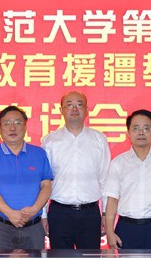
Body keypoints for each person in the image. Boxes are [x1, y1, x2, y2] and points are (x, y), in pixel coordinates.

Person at [104, 109, 151, 250]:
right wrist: (110, 232)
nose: (141, 132)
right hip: (126, 228)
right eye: (136, 128)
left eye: (146, 128)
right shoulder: (118, 163)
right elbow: (112, 201)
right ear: (128, 133)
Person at [42, 91, 110, 250]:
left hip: (90, 214)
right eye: (69, 105)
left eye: (79, 105)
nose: (74, 109)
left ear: (86, 110)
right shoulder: (50, 141)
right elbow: (44, 181)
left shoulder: (99, 139)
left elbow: (105, 180)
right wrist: (43, 215)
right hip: (59, 213)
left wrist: (105, 214)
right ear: (61, 110)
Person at [0, 106, 53, 250]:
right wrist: (10, 213)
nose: (12, 128)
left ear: (25, 126)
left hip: (33, 226)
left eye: (18, 122)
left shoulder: (39, 153)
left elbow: (46, 185)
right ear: (0, 128)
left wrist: (34, 209)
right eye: (7, 123)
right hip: (0, 227)